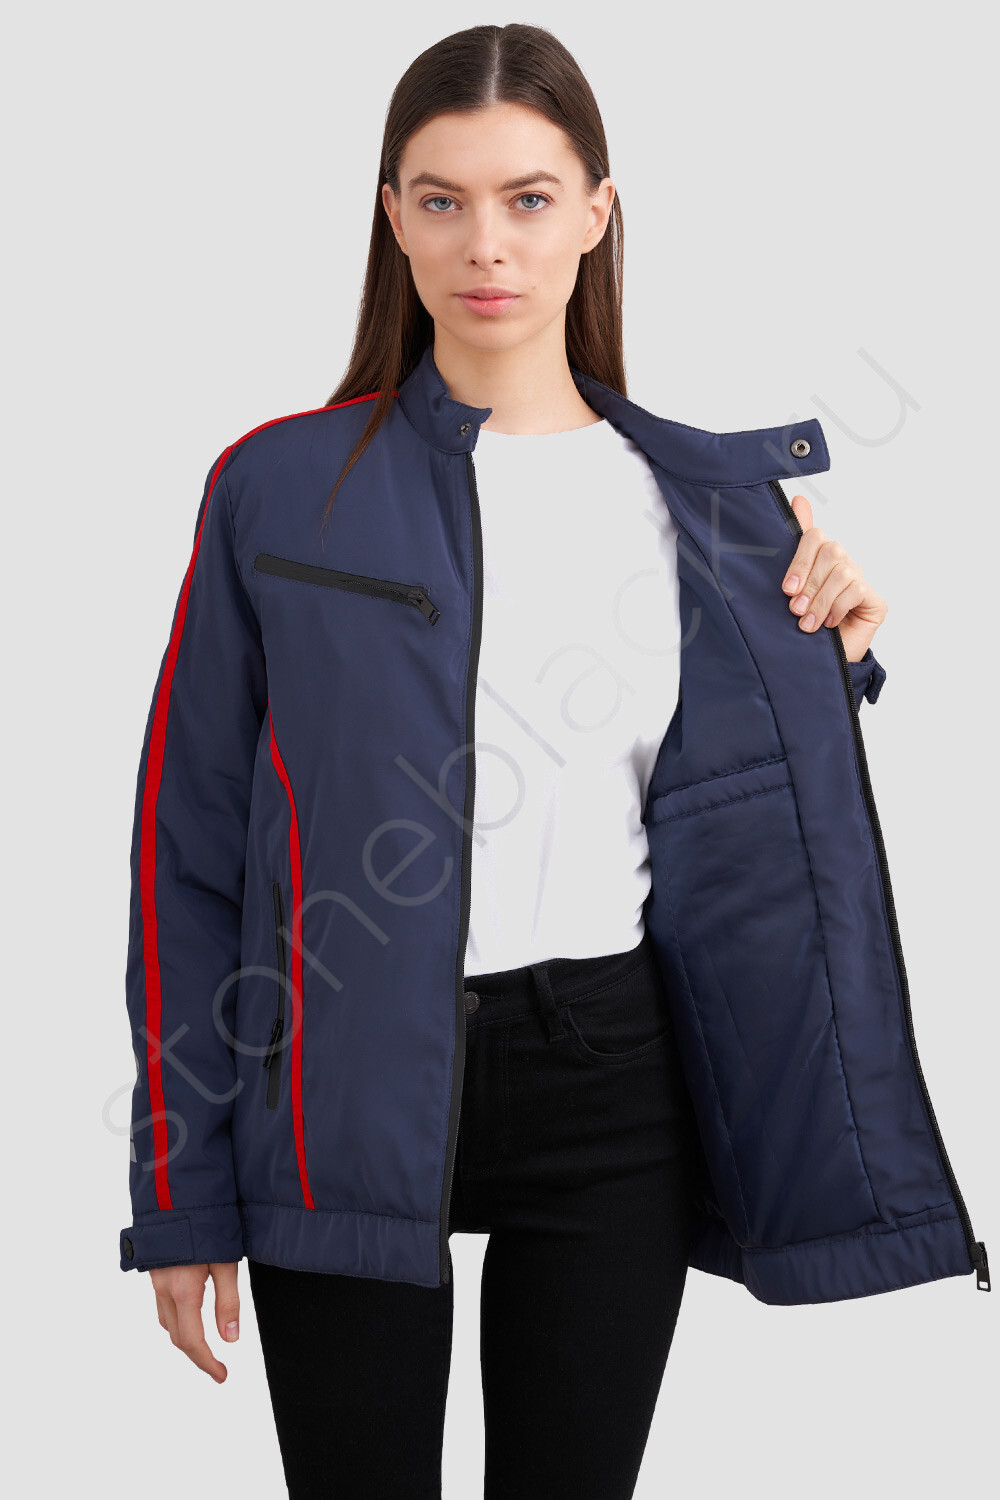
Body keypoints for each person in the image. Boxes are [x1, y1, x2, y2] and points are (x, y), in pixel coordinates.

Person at [120, 21, 985, 1500]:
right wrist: (179, 1186)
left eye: (528, 198)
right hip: (337, 1080)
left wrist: (837, 655)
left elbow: (758, 819)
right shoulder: (278, 487)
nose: (486, 243)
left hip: (610, 1084)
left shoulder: (719, 511)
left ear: (596, 212)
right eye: (441, 199)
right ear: (393, 219)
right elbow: (184, 855)